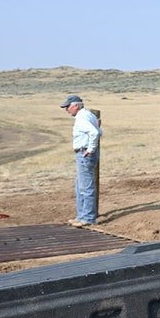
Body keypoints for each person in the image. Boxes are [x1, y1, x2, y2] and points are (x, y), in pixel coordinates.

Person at [61, 94, 101, 227]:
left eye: (68, 107)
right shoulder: (89, 115)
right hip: (84, 153)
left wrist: (90, 149)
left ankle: (88, 218)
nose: (66, 110)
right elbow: (100, 131)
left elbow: (95, 132)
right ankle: (81, 216)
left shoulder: (82, 118)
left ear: (76, 106)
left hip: (84, 154)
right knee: (80, 186)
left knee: (86, 187)